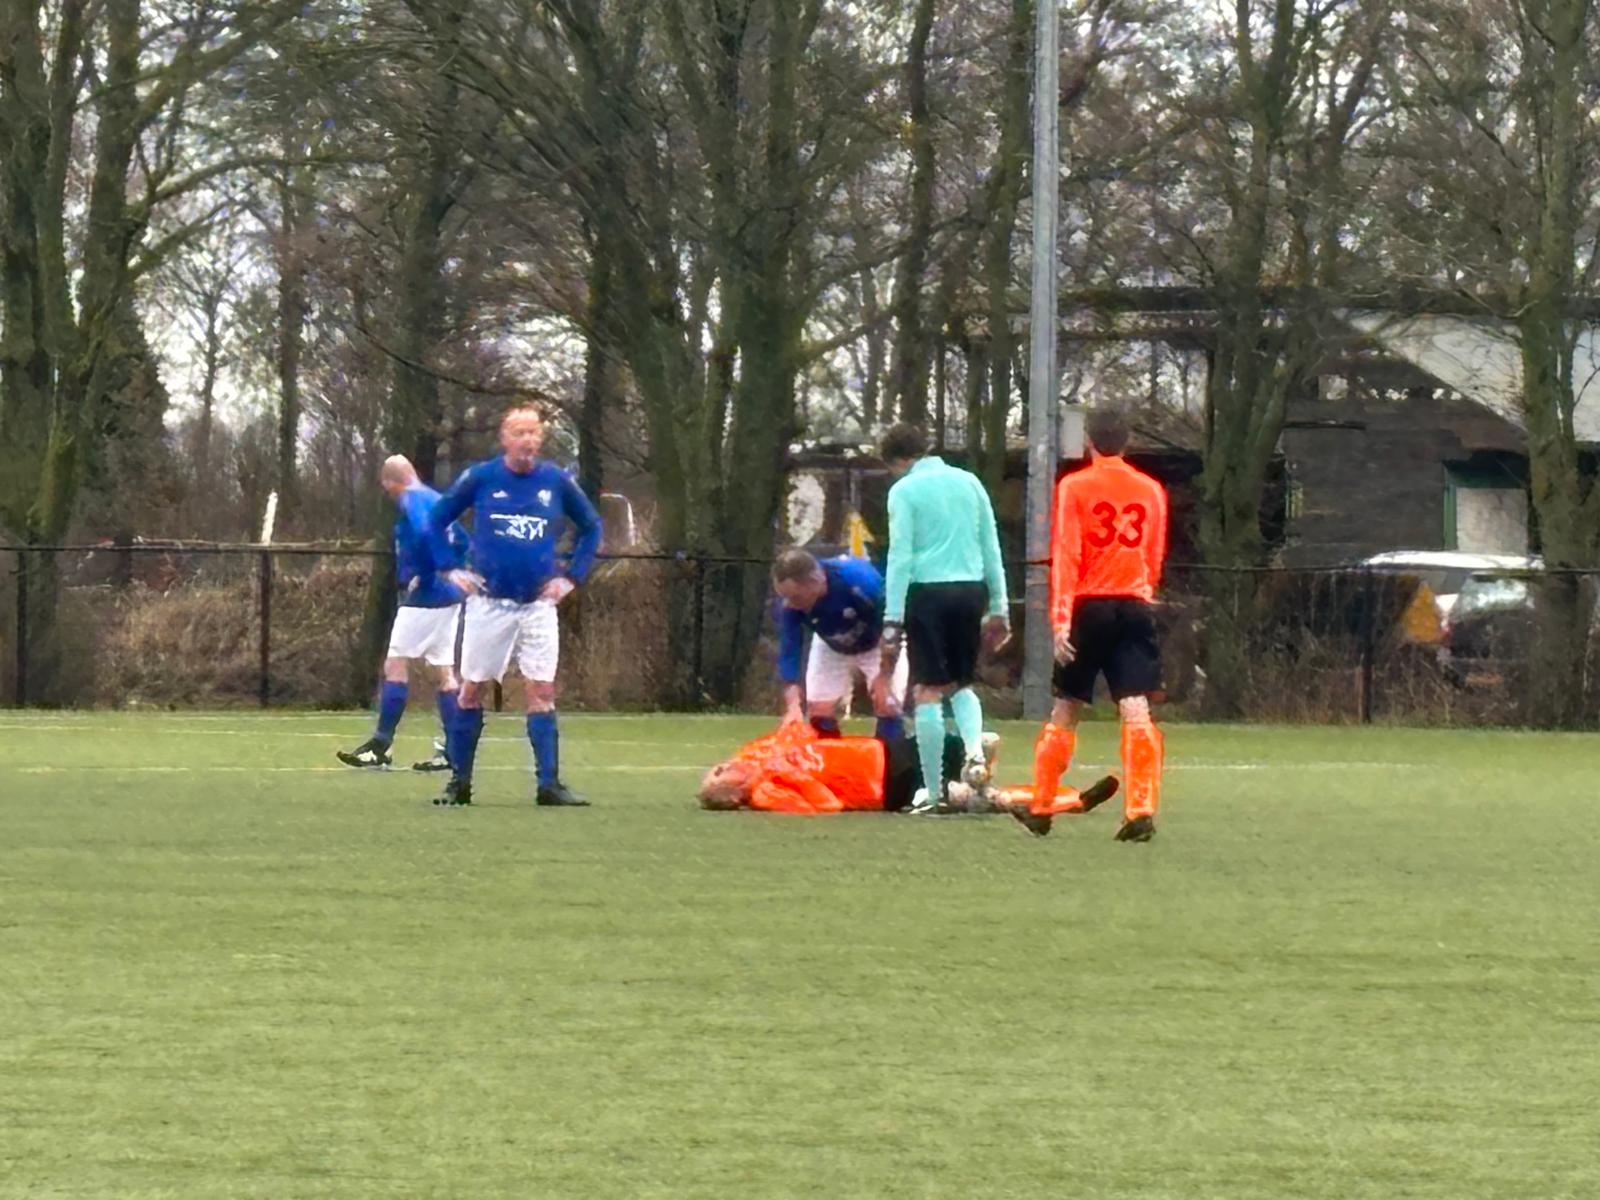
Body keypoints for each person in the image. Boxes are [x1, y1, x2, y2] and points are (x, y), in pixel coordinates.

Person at [428, 405, 604, 808]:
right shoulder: (481, 477)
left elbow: (592, 526)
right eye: (520, 433)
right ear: (505, 438)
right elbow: (436, 520)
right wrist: (449, 567)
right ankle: (459, 783)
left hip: (537, 606)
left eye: (534, 432)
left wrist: (572, 576)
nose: (528, 440)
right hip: (489, 604)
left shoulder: (556, 481)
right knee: (471, 689)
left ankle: (549, 785)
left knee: (542, 689)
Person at [1030, 407, 1169, 842]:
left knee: (1067, 705)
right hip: (1134, 603)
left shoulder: (1074, 487)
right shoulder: (1151, 490)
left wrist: (1060, 621)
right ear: (1127, 442)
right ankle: (1140, 808)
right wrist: (1144, 592)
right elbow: (1154, 552)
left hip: (1089, 605)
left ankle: (1042, 805)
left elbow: (1067, 554)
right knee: (1135, 707)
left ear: (1088, 441)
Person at [877, 423, 1009, 812]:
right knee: (962, 683)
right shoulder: (970, 482)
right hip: (970, 590)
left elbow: (900, 556)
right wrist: (999, 605)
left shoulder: (904, 491)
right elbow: (991, 546)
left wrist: (892, 618)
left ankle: (934, 793)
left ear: (897, 461)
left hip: (928, 593)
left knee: (928, 690)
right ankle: (975, 756)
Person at [337, 455, 468, 771]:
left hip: (425, 597)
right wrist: (455, 570)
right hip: (449, 597)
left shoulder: (412, 500)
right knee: (444, 671)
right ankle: (454, 750)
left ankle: (380, 746)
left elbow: (424, 532)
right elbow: (463, 540)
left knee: (395, 664)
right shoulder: (437, 499)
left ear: (390, 483)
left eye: (387, 488)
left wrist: (426, 572)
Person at [697, 724, 1118, 817]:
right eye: (718, 776)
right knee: (981, 799)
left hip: (886, 750)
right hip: (888, 787)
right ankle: (1072, 801)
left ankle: (980, 769)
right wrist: (791, 775)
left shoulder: (753, 753)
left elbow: (801, 732)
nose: (722, 766)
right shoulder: (766, 792)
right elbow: (826, 806)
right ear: (732, 797)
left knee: (965, 746)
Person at [772, 548, 907, 742]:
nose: (789, 604)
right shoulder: (791, 602)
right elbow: (789, 650)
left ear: (814, 581)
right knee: (819, 709)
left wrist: (884, 677)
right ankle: (830, 759)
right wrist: (793, 707)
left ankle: (890, 757)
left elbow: (892, 626)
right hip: (831, 642)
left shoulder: (858, 581)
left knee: (886, 703)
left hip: (879, 641)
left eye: (796, 598)